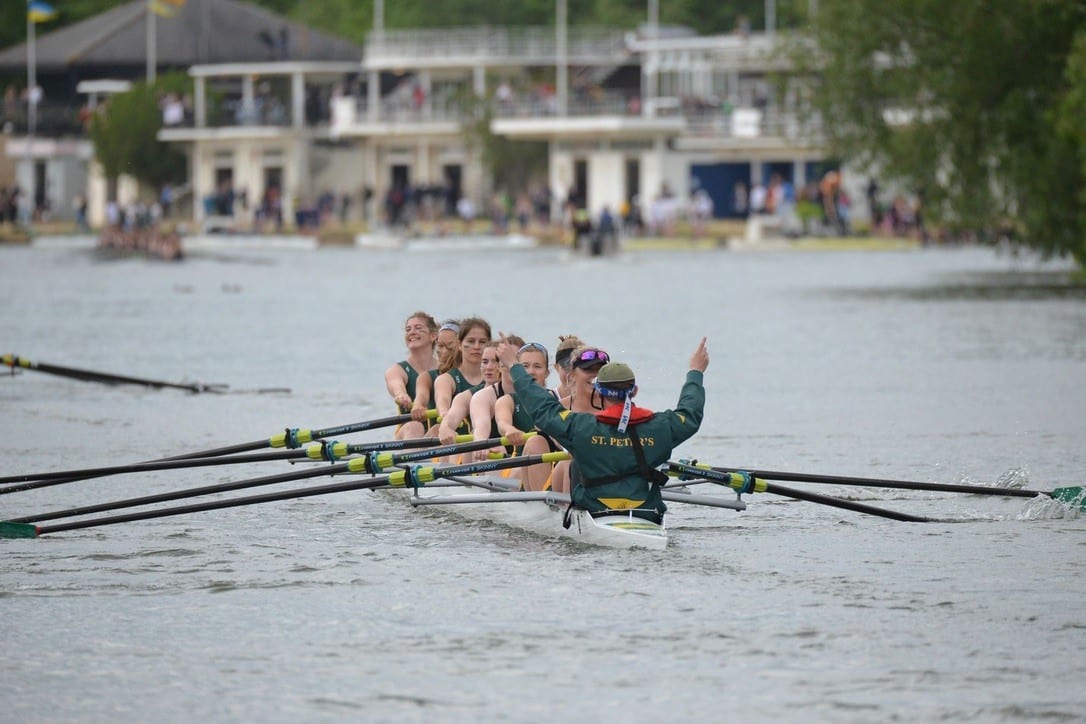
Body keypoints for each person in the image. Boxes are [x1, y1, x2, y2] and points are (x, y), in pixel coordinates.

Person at [498, 336, 709, 522]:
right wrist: (695, 372)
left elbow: (541, 407)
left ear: (599, 388)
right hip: (646, 514)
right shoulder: (658, 426)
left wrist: (515, 367)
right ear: (634, 391)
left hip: (595, 513)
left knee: (572, 463)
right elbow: (690, 414)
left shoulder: (581, 428)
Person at [494, 341, 561, 491]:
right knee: (535, 444)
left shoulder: (558, 400)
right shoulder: (507, 400)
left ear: (547, 372)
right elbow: (502, 423)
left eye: (537, 366)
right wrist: (509, 430)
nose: (531, 372)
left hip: (555, 467)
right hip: (519, 468)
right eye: (525, 366)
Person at [384, 311, 439, 439]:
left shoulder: (446, 370)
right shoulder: (397, 370)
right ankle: (412, 458)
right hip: (408, 434)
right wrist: (401, 395)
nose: (411, 332)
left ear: (433, 336)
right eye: (408, 329)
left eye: (418, 328)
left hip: (436, 436)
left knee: (438, 429)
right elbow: (395, 385)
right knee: (415, 426)